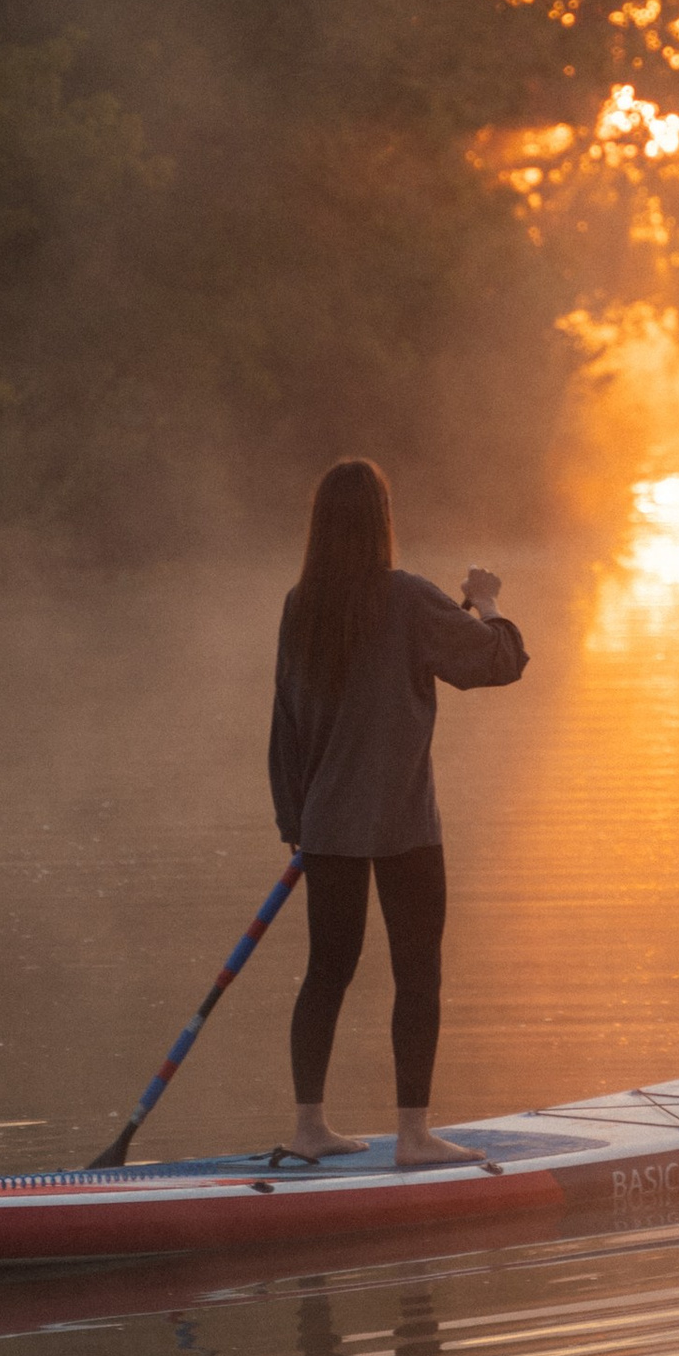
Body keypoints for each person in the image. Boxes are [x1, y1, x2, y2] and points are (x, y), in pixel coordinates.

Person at [267, 456, 529, 1167]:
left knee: (327, 970)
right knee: (418, 974)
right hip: (404, 827)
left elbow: (284, 726)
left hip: (326, 828)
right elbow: (499, 661)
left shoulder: (302, 604)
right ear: (382, 523)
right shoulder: (409, 600)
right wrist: (487, 600)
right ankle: (414, 1137)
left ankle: (308, 1128)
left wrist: (297, 824)